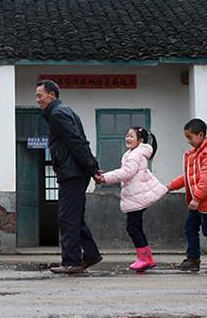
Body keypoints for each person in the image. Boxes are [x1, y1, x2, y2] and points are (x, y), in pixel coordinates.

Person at [36, 79, 102, 274]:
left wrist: (92, 168)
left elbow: (76, 142)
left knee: (67, 218)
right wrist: (91, 168)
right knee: (74, 217)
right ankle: (90, 254)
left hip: (72, 173)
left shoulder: (57, 114)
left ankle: (72, 262)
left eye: (40, 96)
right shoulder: (64, 111)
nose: (38, 100)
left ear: (52, 95)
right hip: (74, 171)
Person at [94, 126, 167, 271]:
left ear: (140, 140)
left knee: (132, 227)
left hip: (137, 196)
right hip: (137, 195)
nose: (127, 138)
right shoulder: (134, 153)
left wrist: (104, 178)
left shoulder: (135, 155)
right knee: (136, 227)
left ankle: (143, 259)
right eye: (127, 135)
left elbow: (127, 173)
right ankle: (148, 258)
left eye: (131, 136)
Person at [167, 119, 207, 274]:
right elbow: (188, 177)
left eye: (190, 137)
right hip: (198, 200)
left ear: (201, 134)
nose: (188, 141)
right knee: (190, 227)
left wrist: (196, 197)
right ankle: (193, 259)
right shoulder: (196, 154)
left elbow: (206, 179)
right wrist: (170, 186)